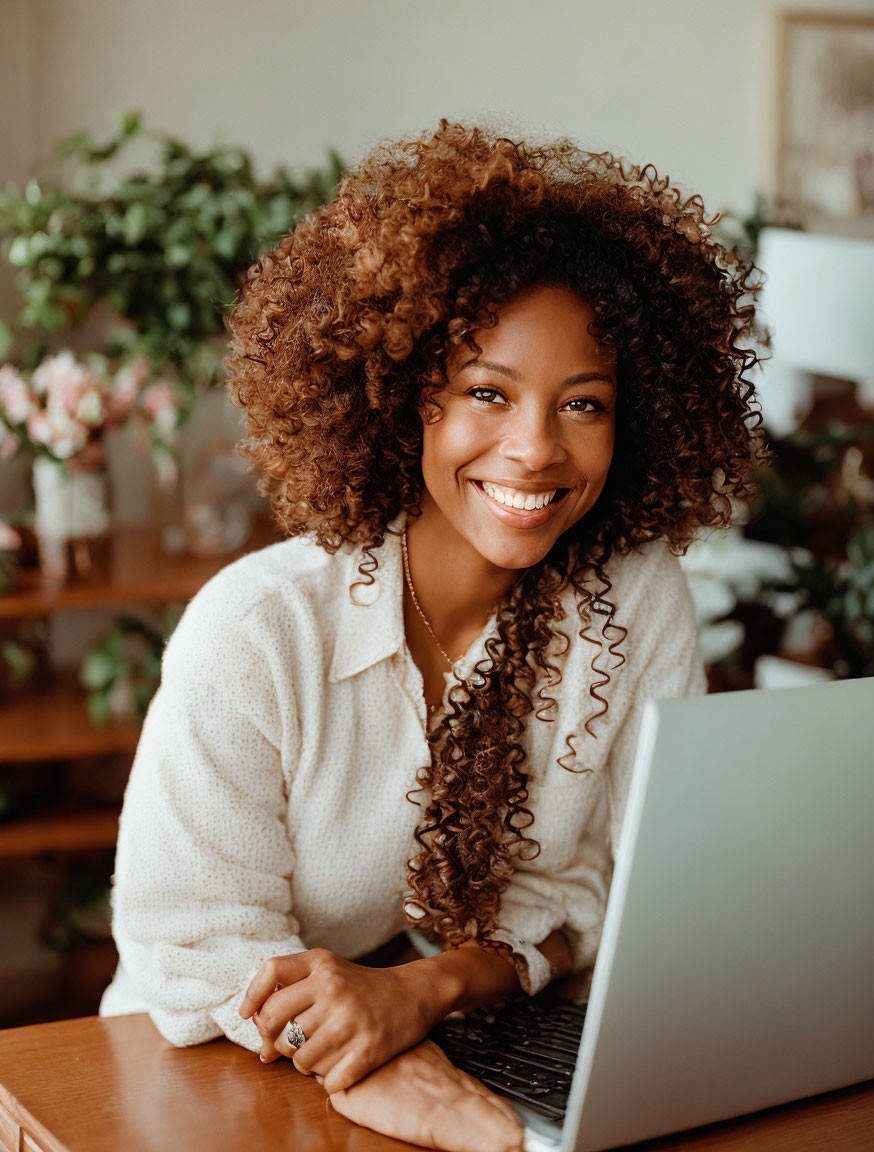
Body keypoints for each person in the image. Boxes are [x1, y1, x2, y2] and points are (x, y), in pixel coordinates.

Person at [101, 120, 762, 1150]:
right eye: (486, 393)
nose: (536, 450)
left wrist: (424, 992)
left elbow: (595, 887)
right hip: (196, 1067)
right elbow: (191, 945)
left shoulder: (631, 603)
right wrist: (373, 1054)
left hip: (444, 1034)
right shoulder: (257, 631)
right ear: (405, 395)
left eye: (581, 403)